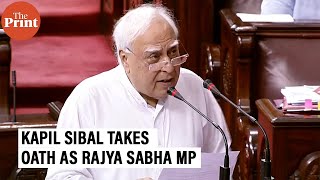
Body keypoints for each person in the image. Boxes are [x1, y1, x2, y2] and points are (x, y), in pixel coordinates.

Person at [45, 3, 231, 180]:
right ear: (125, 59)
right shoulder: (89, 98)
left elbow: (222, 158)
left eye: (173, 52)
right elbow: (62, 175)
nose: (168, 66)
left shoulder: (194, 87)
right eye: (154, 56)